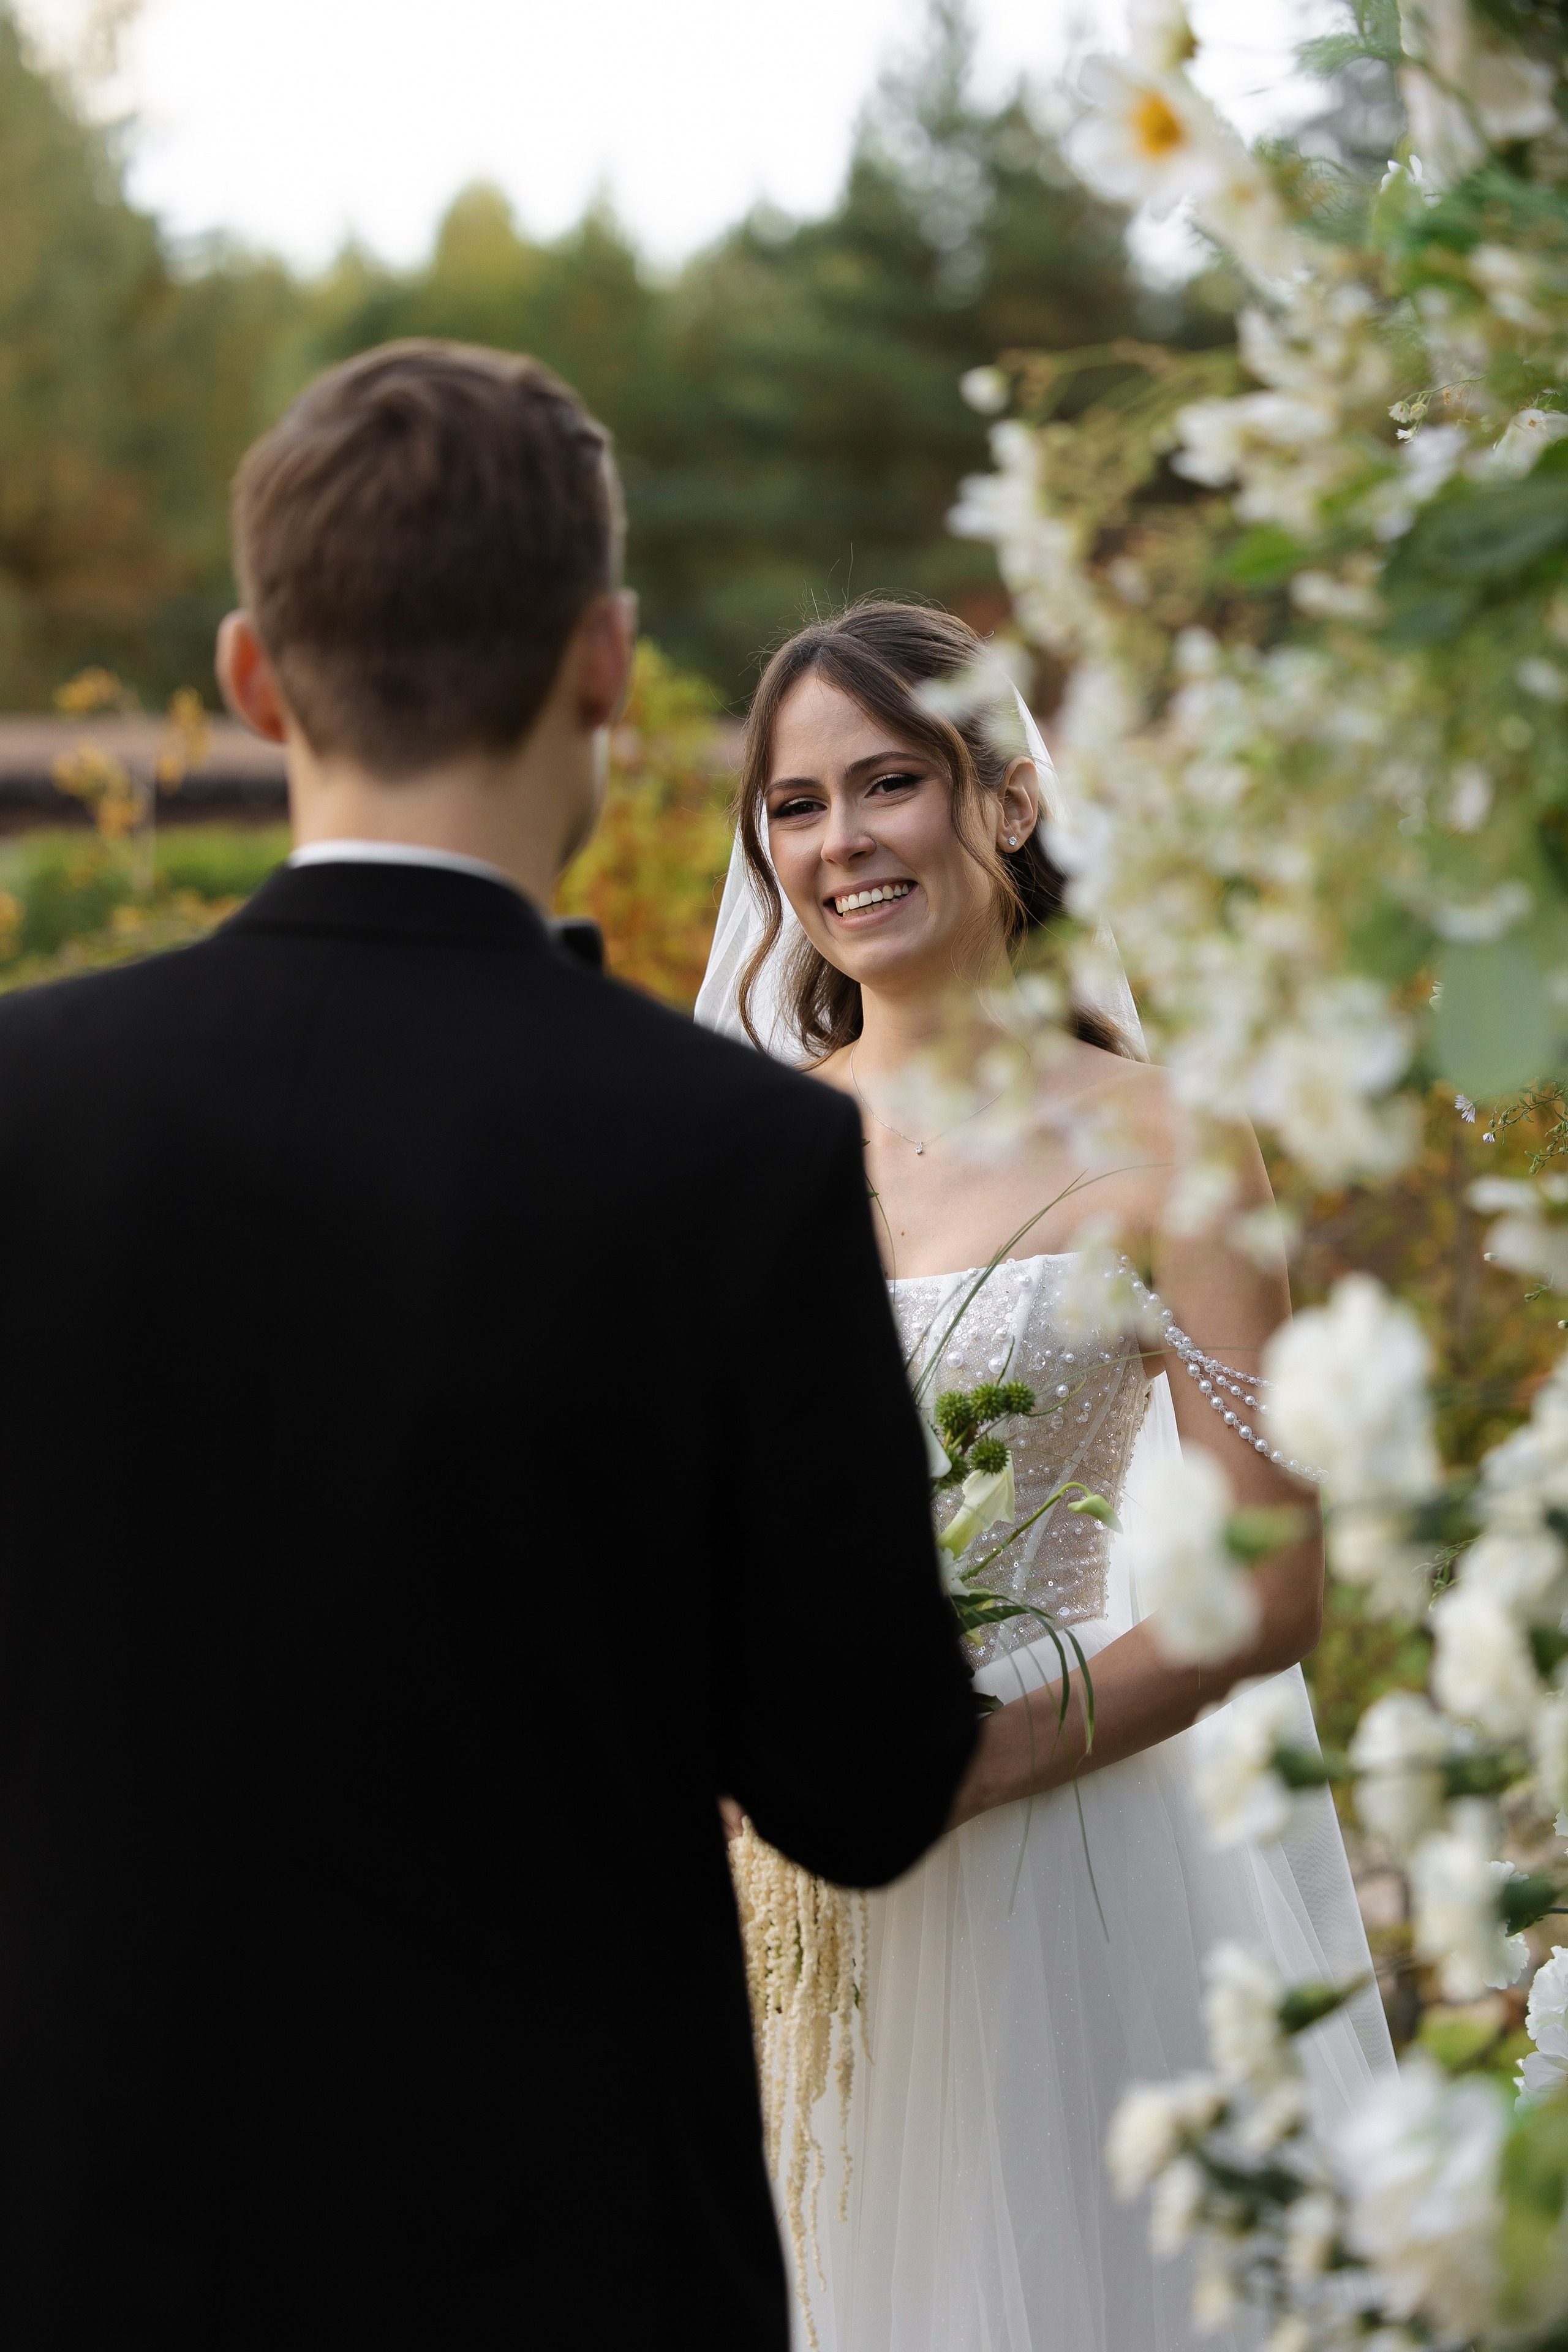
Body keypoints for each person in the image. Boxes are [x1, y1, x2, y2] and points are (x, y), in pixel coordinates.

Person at [0, 349, 977, 2346]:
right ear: (608, 661)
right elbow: (868, 1785)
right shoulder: (742, 1157)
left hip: (80, 2226)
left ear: (255, 678)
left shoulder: (23, 1102)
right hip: (565, 2251)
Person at [696, 598, 1392, 2352]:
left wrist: (975, 1756)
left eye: (887, 784)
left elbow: (1272, 1584)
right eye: (794, 806)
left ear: (1005, 799)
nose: (841, 841)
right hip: (775, 1865)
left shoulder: (1169, 1140)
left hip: (1064, 1839)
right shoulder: (730, 1149)